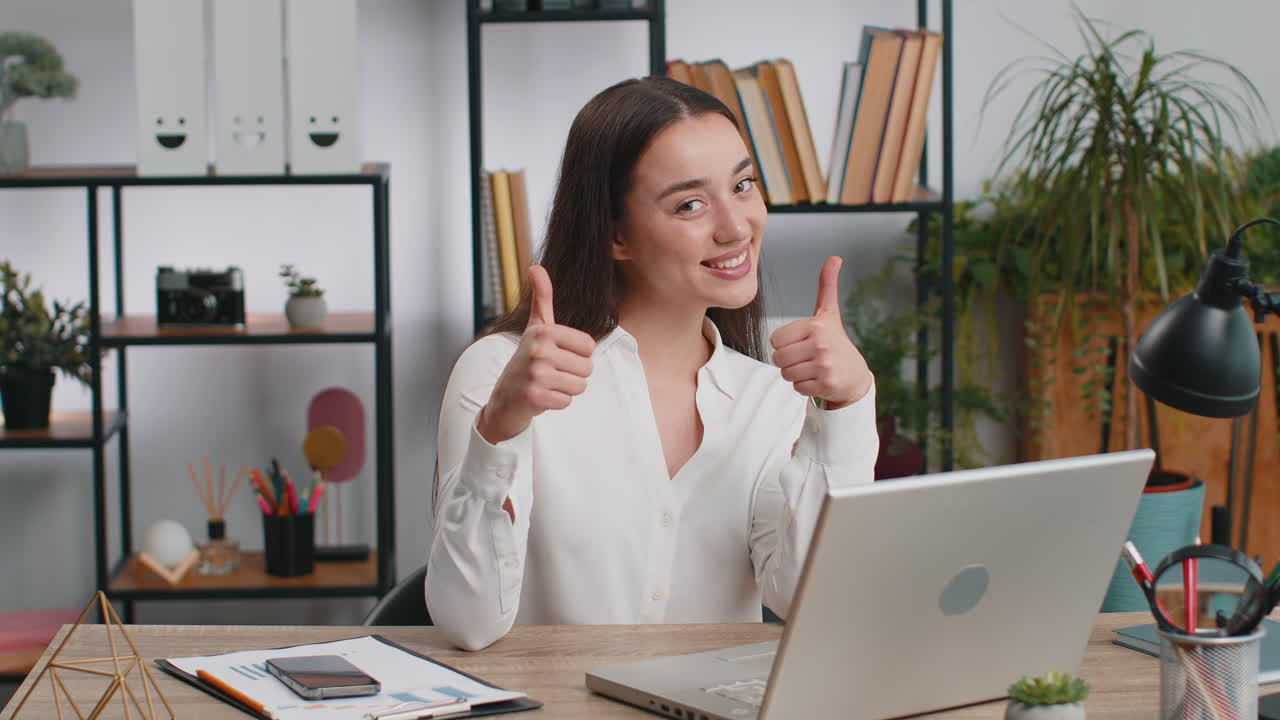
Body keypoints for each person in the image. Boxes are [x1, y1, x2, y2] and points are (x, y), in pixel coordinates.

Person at [427, 76, 878, 651]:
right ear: (616, 234)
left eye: (743, 185)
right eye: (690, 203)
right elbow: (469, 622)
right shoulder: (501, 374)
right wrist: (501, 428)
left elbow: (811, 599)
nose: (736, 226)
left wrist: (845, 408)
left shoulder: (775, 397)